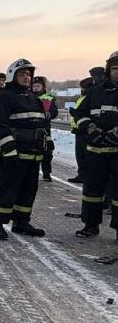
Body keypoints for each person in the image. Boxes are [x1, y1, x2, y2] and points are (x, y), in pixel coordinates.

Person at [0, 59, 47, 239]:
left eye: (29, 74)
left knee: (28, 191)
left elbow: (42, 124)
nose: (27, 78)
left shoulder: (34, 99)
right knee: (5, 190)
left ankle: (21, 222)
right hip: (13, 154)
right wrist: (10, 150)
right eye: (23, 74)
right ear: (13, 75)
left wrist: (46, 144)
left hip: (33, 155)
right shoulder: (4, 97)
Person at [74, 51, 118, 240]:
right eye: (115, 68)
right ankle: (90, 225)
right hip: (95, 151)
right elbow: (80, 113)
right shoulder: (95, 91)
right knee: (91, 191)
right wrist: (91, 128)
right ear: (109, 69)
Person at [68, 76, 94, 183]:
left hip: (85, 131)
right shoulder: (82, 97)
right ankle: (82, 175)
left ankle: (86, 175)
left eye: (83, 88)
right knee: (80, 155)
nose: (81, 90)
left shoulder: (90, 97)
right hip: (78, 130)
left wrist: (75, 113)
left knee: (86, 156)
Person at [32, 76, 58, 181]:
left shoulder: (49, 98)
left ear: (43, 87)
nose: (35, 88)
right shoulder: (28, 96)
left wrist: (50, 114)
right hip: (32, 129)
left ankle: (46, 173)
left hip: (45, 129)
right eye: (34, 86)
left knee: (47, 152)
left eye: (38, 86)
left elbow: (54, 111)